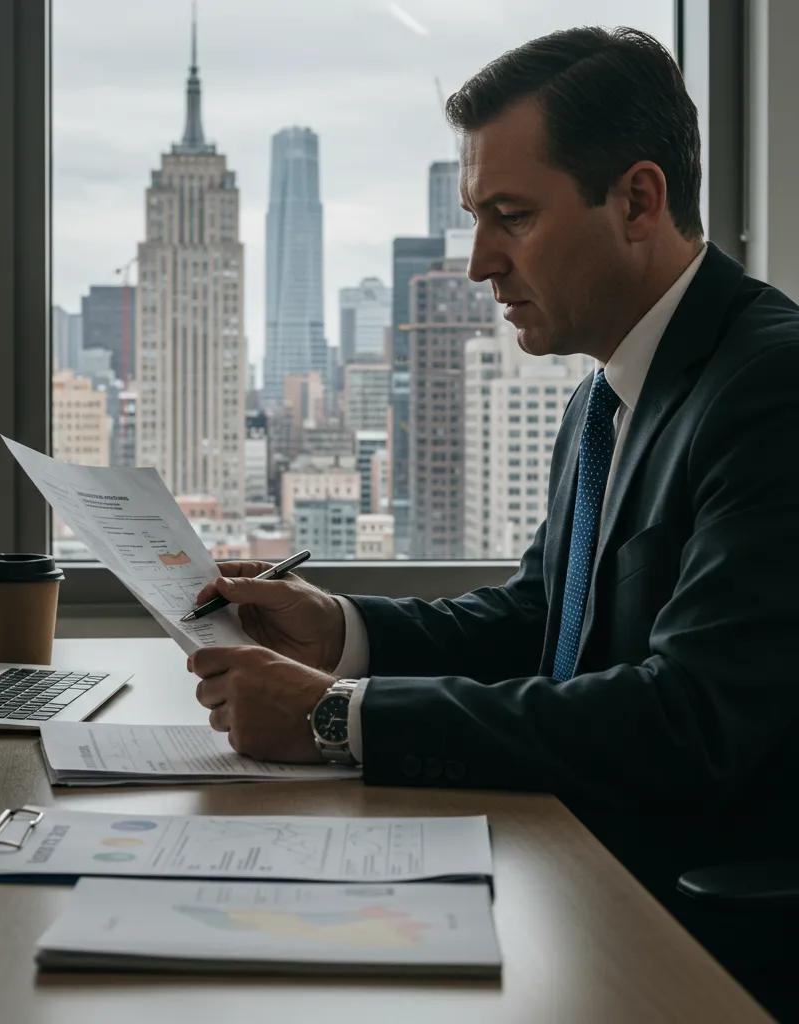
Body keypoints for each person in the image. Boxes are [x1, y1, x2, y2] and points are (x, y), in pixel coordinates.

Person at [190, 26, 799, 1010]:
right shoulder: (607, 393)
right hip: (579, 867)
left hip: (694, 935)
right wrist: (341, 633)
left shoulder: (769, 386)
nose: (479, 263)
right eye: (476, 217)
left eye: (510, 217)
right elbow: (542, 619)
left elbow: (686, 719)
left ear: (638, 200)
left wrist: (335, 720)